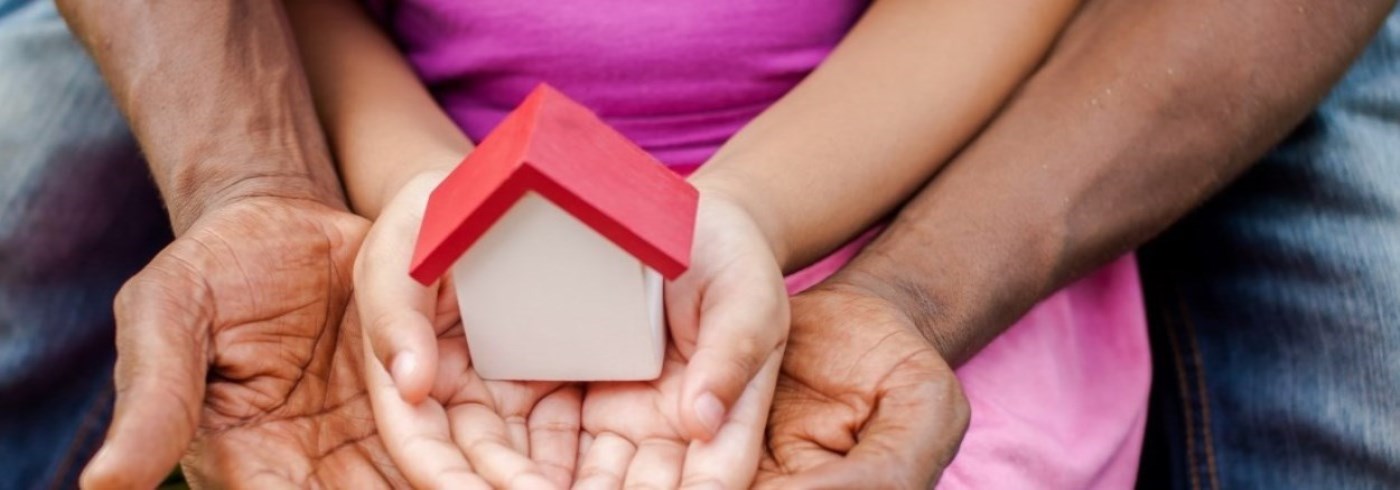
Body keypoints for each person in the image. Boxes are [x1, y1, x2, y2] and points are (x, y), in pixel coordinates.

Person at [284, 0, 1147, 487]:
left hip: (889, 193)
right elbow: (308, 19)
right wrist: (426, 192)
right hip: (456, 221)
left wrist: (752, 208)